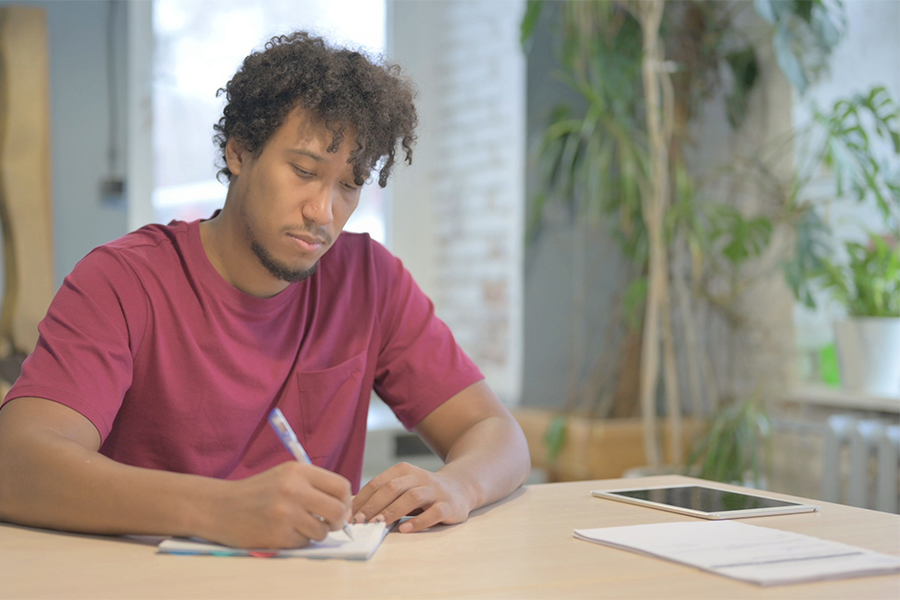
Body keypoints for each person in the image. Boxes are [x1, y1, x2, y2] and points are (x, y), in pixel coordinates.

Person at [0, 31, 530, 549]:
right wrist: (217, 508)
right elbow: (15, 462)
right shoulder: (122, 281)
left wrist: (457, 485)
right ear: (238, 152)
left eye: (349, 185)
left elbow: (495, 431)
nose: (323, 212)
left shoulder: (370, 280)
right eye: (304, 170)